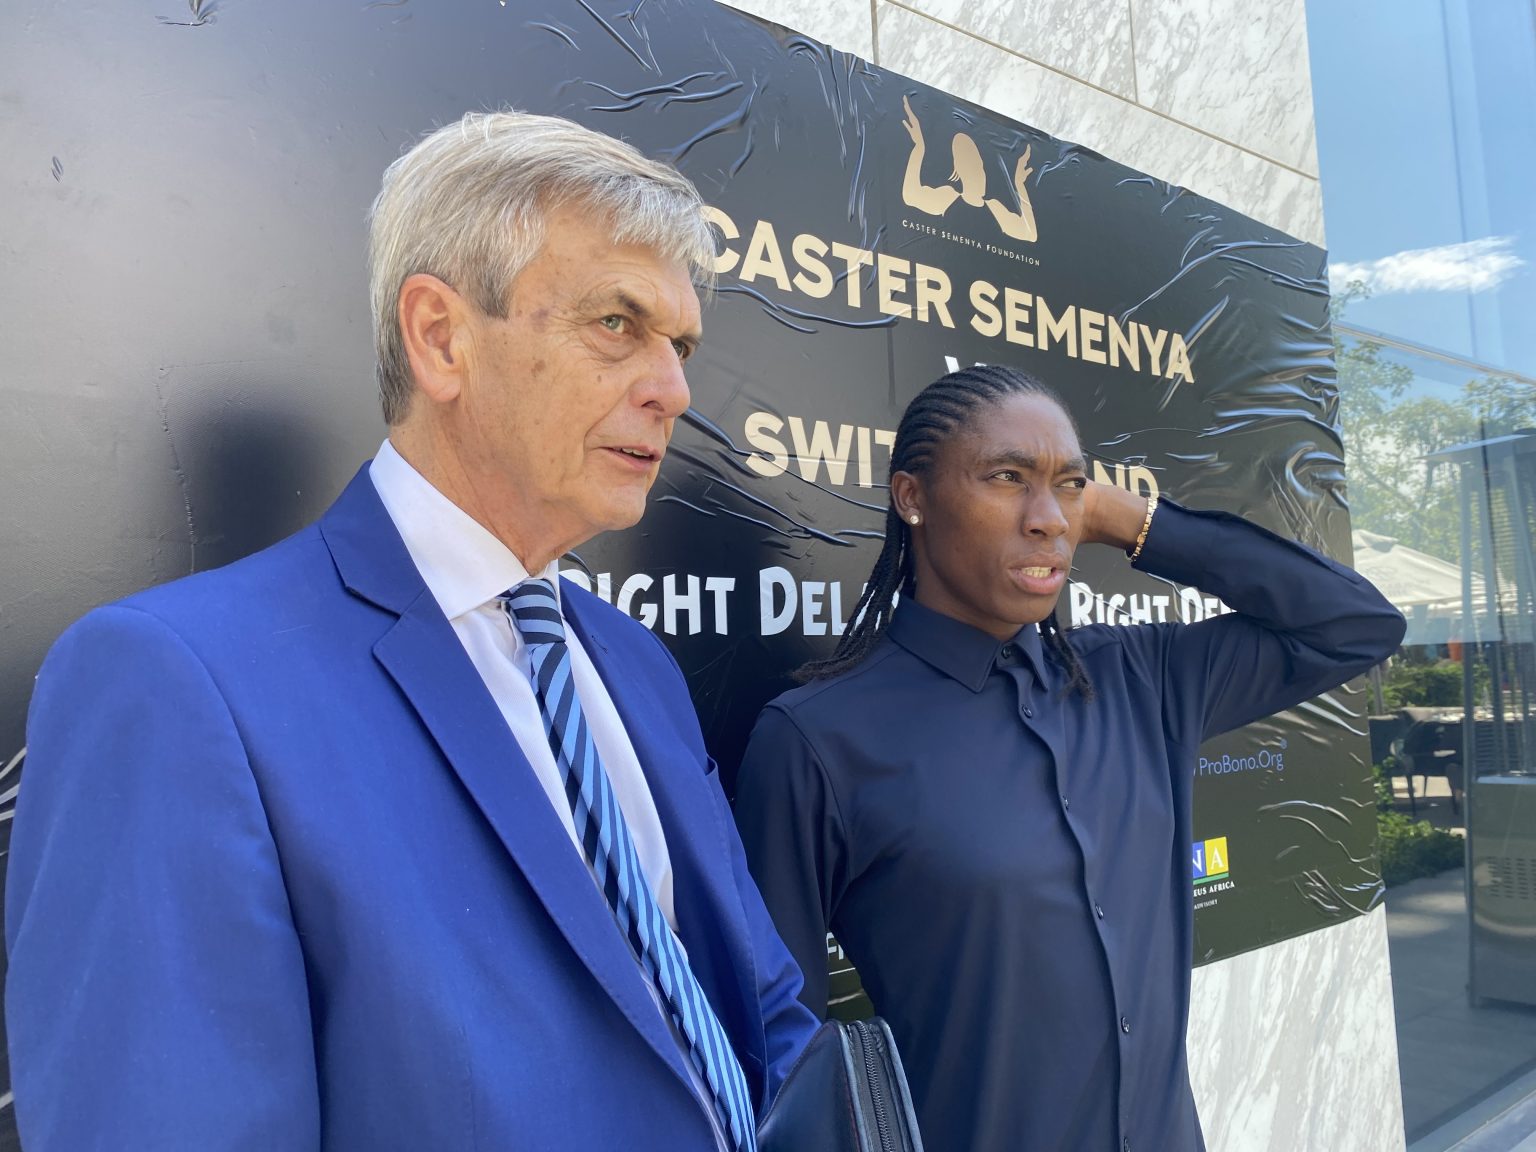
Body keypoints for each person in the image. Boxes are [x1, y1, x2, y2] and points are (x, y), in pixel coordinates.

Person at [6, 110, 817, 1152]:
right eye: (618, 323)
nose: (674, 390)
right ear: (441, 337)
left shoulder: (635, 662)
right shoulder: (175, 682)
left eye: (681, 344)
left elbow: (762, 1006)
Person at [733, 364, 1405, 1152]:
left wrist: (1129, 518)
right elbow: (777, 1054)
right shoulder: (817, 742)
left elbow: (1355, 625)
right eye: (1007, 478)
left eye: (1069, 486)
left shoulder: (1141, 678)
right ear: (912, 497)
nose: (1048, 519)